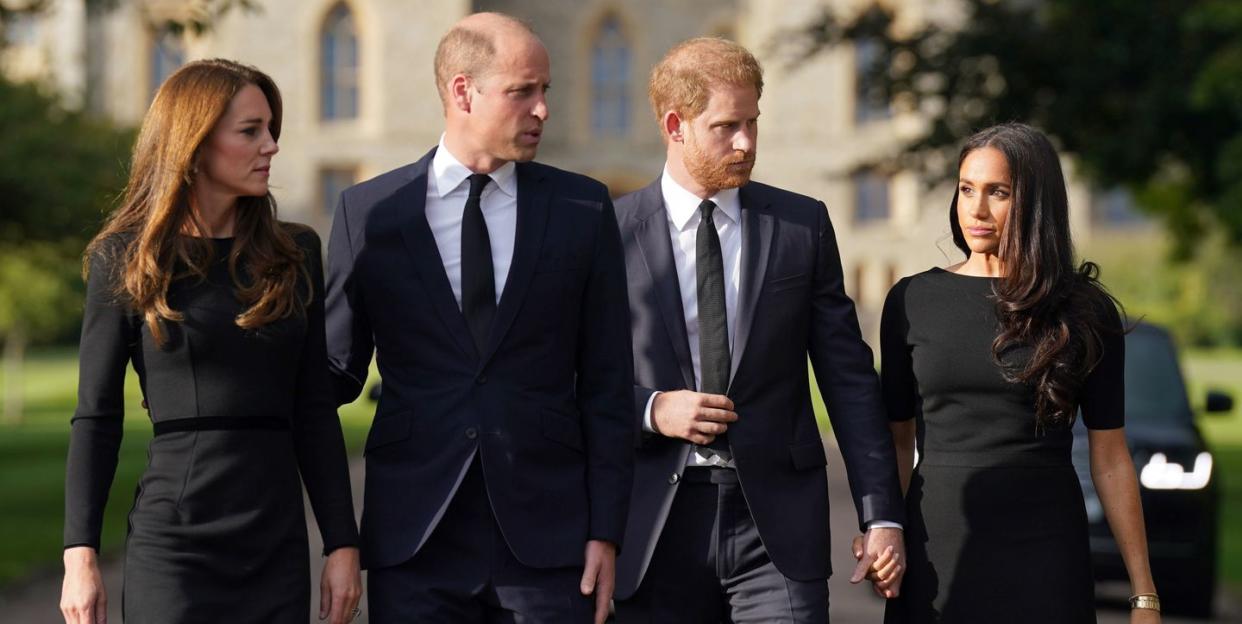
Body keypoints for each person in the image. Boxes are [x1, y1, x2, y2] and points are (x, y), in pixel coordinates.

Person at [322, 12, 634, 623]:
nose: (543, 109)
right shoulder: (370, 212)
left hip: (550, 541)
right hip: (415, 539)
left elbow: (607, 384)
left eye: (546, 91)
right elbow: (334, 372)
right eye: (524, 91)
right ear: (463, 91)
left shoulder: (583, 207)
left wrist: (606, 530)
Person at [611, 37, 907, 623]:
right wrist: (652, 410)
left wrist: (881, 514)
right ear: (675, 124)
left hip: (775, 531)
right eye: (726, 127)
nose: (746, 142)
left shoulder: (802, 226)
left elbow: (847, 378)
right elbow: (569, 377)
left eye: (752, 122)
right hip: (650, 526)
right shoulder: (608, 234)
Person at [59, 59, 361, 624]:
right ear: (195, 144)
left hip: (276, 542)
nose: (270, 145)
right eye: (250, 131)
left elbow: (315, 410)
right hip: (174, 545)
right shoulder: (126, 259)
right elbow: (95, 417)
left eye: (271, 129)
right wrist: (81, 557)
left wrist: (342, 544)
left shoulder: (295, 254)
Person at [876, 122, 1160, 623]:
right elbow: (897, 441)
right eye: (966, 189)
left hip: (1046, 550)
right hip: (936, 545)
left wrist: (1144, 594)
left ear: (1034, 201)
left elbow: (1111, 457)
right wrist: (884, 529)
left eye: (997, 193)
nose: (976, 209)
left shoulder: (1082, 309)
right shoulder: (911, 300)